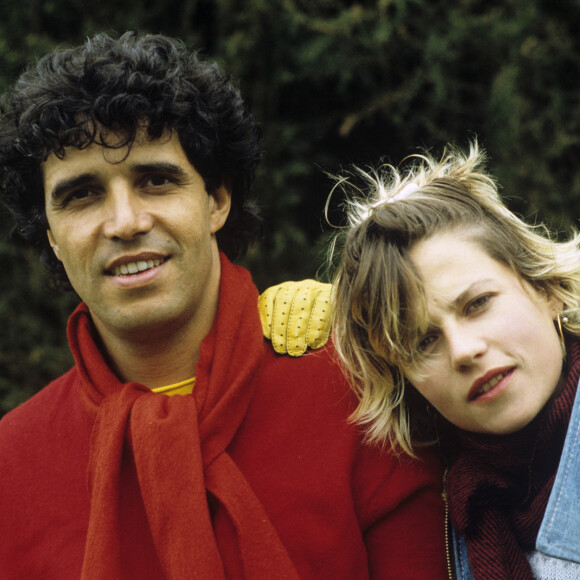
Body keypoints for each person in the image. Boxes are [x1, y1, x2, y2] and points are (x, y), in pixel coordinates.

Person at [0, 32, 449, 579]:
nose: (124, 222)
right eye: (82, 195)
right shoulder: (12, 464)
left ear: (216, 200)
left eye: (156, 181)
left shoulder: (362, 387)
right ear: (50, 236)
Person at [317, 142, 580, 579]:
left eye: (477, 303)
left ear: (545, 288)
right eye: (423, 343)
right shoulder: (447, 504)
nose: (463, 351)